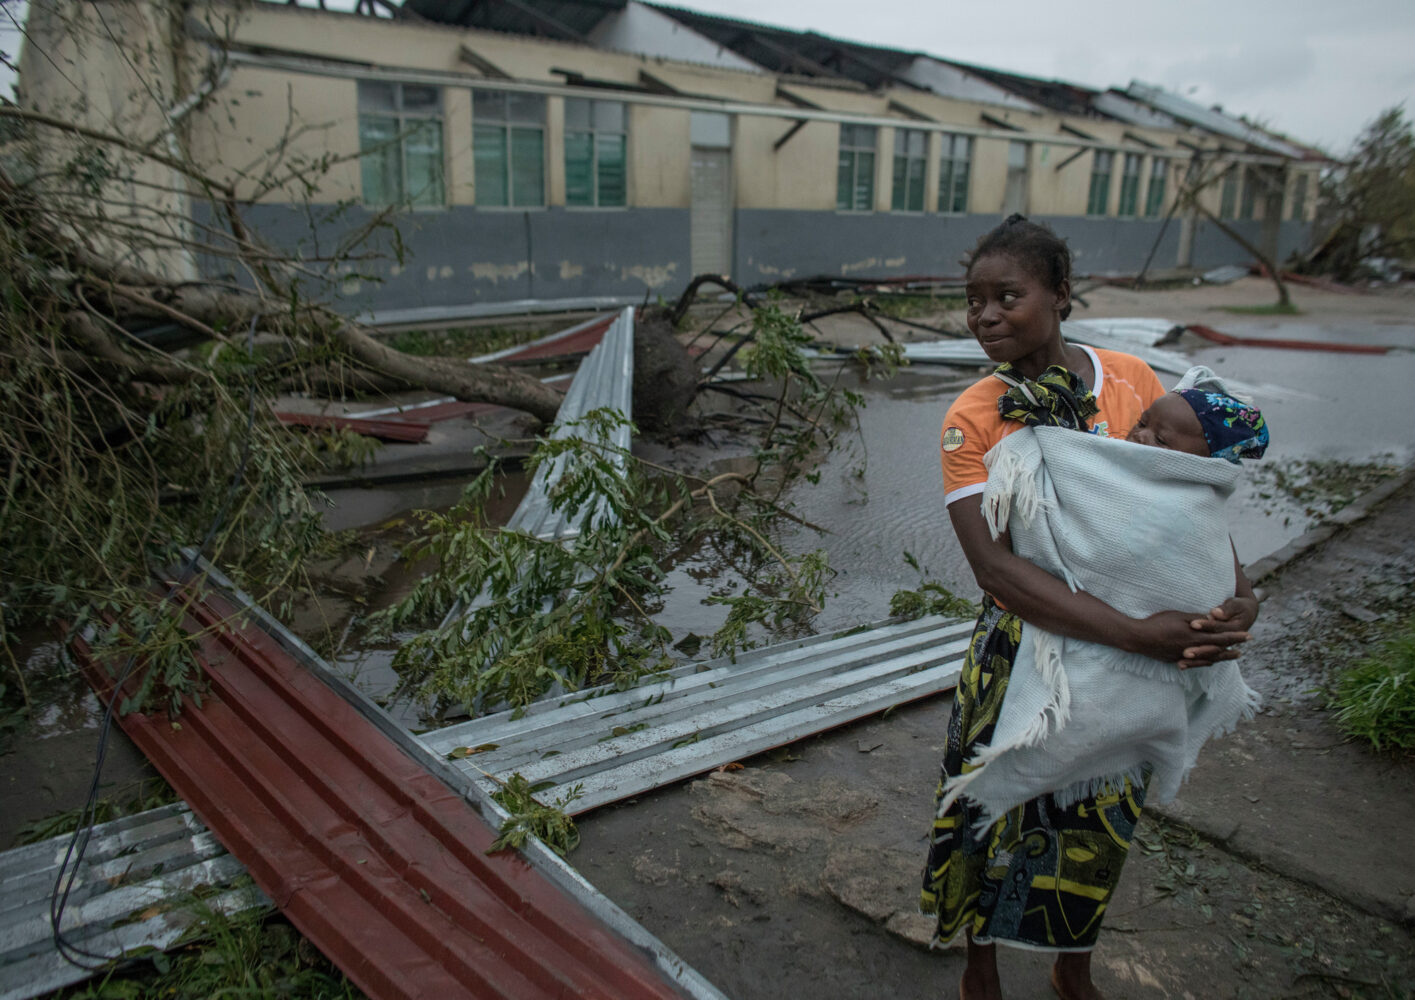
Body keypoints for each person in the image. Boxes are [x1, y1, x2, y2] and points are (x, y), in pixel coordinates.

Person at [919, 215, 1258, 1000]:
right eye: (972, 301)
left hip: (1131, 652)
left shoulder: (1133, 383)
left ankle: (1073, 968)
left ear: (1060, 296)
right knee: (993, 807)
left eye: (1008, 295)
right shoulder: (974, 417)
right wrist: (1138, 635)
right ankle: (981, 963)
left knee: (1097, 815)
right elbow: (992, 569)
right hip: (1024, 647)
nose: (985, 315)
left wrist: (1238, 599)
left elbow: (1193, 508)